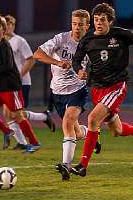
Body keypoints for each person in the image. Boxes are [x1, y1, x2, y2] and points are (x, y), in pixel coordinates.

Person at [70, 3, 133, 177]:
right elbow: (76, 60)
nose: (98, 23)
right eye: (96, 20)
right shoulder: (87, 40)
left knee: (92, 119)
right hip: (97, 88)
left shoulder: (120, 34)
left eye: (102, 20)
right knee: (117, 131)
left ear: (110, 21)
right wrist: (79, 70)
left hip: (116, 86)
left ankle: (82, 165)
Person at [34, 9, 100, 180]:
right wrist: (57, 62)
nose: (77, 28)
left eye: (81, 25)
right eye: (74, 24)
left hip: (77, 90)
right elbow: (37, 54)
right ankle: (91, 135)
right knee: (75, 133)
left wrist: (87, 75)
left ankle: (66, 165)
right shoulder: (61, 39)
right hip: (57, 92)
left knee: (67, 123)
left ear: (88, 26)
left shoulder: (92, 44)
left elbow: (99, 68)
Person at [0, 14, 40, 153]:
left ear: (3, 29)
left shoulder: (5, 45)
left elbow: (7, 66)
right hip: (0, 86)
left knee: (17, 116)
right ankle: (6, 131)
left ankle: (35, 143)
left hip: (11, 87)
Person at [3, 15, 55, 150]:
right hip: (8, 83)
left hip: (21, 82)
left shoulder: (19, 41)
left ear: (13, 26)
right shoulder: (2, 41)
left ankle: (43, 119)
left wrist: (19, 76)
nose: (6, 27)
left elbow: (31, 59)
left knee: (17, 114)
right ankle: (22, 142)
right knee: (8, 114)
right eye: (4, 24)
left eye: (9, 24)